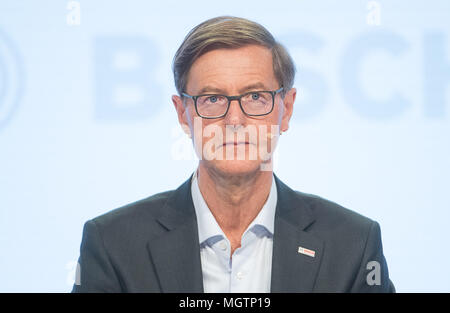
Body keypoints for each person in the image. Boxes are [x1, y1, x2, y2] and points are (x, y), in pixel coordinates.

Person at [72, 16, 395, 293]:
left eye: (255, 96)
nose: (235, 120)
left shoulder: (353, 244)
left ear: (287, 109)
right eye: (212, 99)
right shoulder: (113, 244)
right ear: (183, 114)